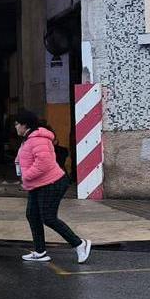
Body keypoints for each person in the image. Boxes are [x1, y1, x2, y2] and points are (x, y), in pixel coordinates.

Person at [14, 109, 92, 263]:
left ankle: (80, 244)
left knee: (48, 218)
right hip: (38, 184)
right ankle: (40, 251)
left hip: (52, 183)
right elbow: (25, 156)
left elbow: (44, 163)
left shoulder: (37, 139)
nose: (15, 127)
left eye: (17, 124)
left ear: (25, 125)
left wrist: (26, 176)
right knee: (32, 215)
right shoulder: (29, 138)